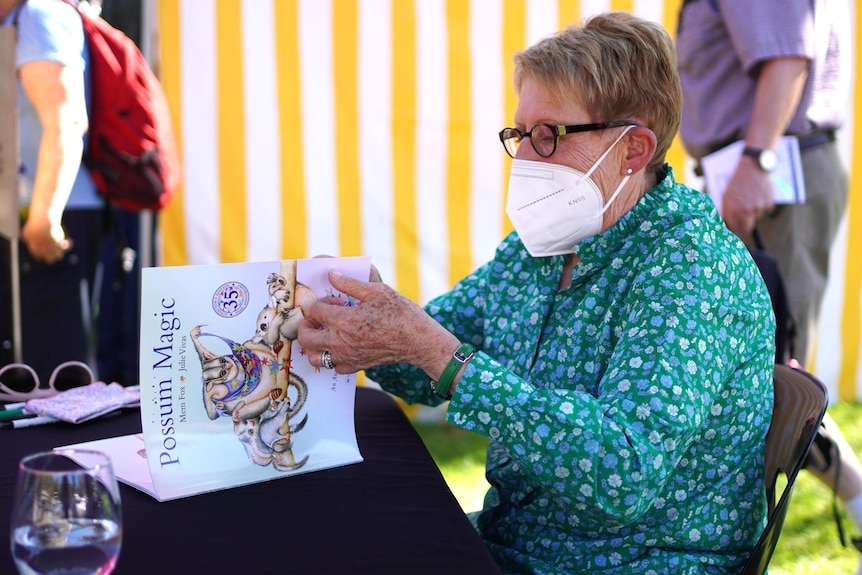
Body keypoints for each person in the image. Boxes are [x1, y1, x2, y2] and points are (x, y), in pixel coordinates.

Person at [297, 12, 775, 574]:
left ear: (634, 151)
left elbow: (624, 468)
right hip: (516, 548)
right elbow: (421, 357)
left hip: (630, 564)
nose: (523, 157)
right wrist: (368, 313)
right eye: (519, 135)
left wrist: (435, 352)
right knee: (326, 531)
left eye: (548, 136)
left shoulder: (691, 269)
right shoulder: (544, 248)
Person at [675, 0, 862, 564]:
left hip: (773, 174)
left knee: (775, 383)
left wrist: (756, 161)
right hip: (759, 174)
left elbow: (786, 58)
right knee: (761, 381)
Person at [0, 0, 106, 386]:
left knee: (54, 379)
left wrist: (45, 218)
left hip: (53, 215)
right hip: (27, 214)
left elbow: (66, 120)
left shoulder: (40, 14)